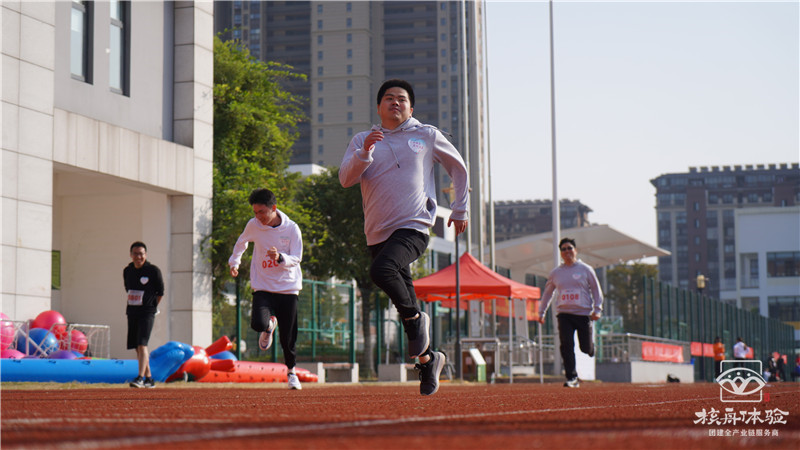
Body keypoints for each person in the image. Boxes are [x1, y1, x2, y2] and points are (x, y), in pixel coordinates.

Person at [340, 79, 469, 396]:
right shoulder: (362, 140)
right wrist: (365, 151)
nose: (394, 102)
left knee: (382, 271)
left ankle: (416, 319)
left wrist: (460, 208)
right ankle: (429, 360)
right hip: (377, 231)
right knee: (402, 296)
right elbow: (345, 179)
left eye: (401, 99)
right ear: (379, 107)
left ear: (411, 108)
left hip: (414, 225)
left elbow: (458, 167)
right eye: (388, 98)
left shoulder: (426, 135)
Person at [229, 188, 304, 390]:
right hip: (263, 285)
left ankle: (291, 373)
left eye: (262, 212)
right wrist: (234, 262)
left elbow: (297, 257)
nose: (258, 217)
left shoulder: (292, 229)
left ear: (273, 208)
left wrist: (280, 257)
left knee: (288, 337)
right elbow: (241, 243)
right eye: (255, 212)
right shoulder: (253, 225)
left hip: (288, 288)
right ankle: (269, 325)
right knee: (257, 323)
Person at [536, 238, 603, 388]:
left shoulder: (586, 269)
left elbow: (596, 290)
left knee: (585, 348)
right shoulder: (556, 273)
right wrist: (541, 312)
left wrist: (597, 309)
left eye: (569, 248)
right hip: (564, 314)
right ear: (561, 253)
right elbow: (548, 293)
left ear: (575, 250)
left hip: (583, 314)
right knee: (566, 345)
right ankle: (572, 377)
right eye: (564, 249)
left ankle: (591, 347)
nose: (567, 251)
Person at [124, 241, 164, 388]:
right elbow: (128, 289)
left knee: (142, 344)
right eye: (135, 254)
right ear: (131, 255)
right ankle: (149, 378)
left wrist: (152, 307)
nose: (138, 257)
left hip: (147, 312)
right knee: (136, 346)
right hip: (132, 311)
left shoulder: (153, 271)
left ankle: (140, 378)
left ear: (145, 255)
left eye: (141, 254)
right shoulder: (127, 271)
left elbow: (160, 292)